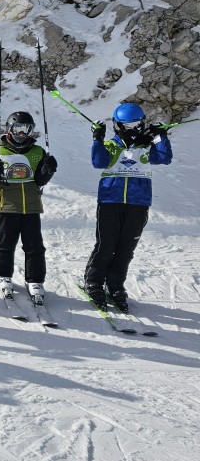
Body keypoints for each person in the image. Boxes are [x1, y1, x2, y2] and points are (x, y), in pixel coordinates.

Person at [84, 103, 172, 311]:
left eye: (135, 124)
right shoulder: (112, 146)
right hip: (109, 202)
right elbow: (98, 162)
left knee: (126, 248)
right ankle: (94, 282)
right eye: (125, 125)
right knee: (106, 245)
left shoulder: (146, 146)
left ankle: (115, 285)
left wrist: (160, 136)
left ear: (142, 124)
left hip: (138, 203)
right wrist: (97, 139)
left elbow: (164, 158)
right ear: (117, 126)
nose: (130, 129)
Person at [0, 111, 57, 303]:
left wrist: (48, 170)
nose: (21, 133)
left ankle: (35, 280)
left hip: (31, 205)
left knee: (34, 245)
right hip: (8, 205)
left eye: (26, 129)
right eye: (17, 128)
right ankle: (3, 274)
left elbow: (40, 180)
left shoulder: (38, 151)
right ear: (9, 129)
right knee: (6, 243)